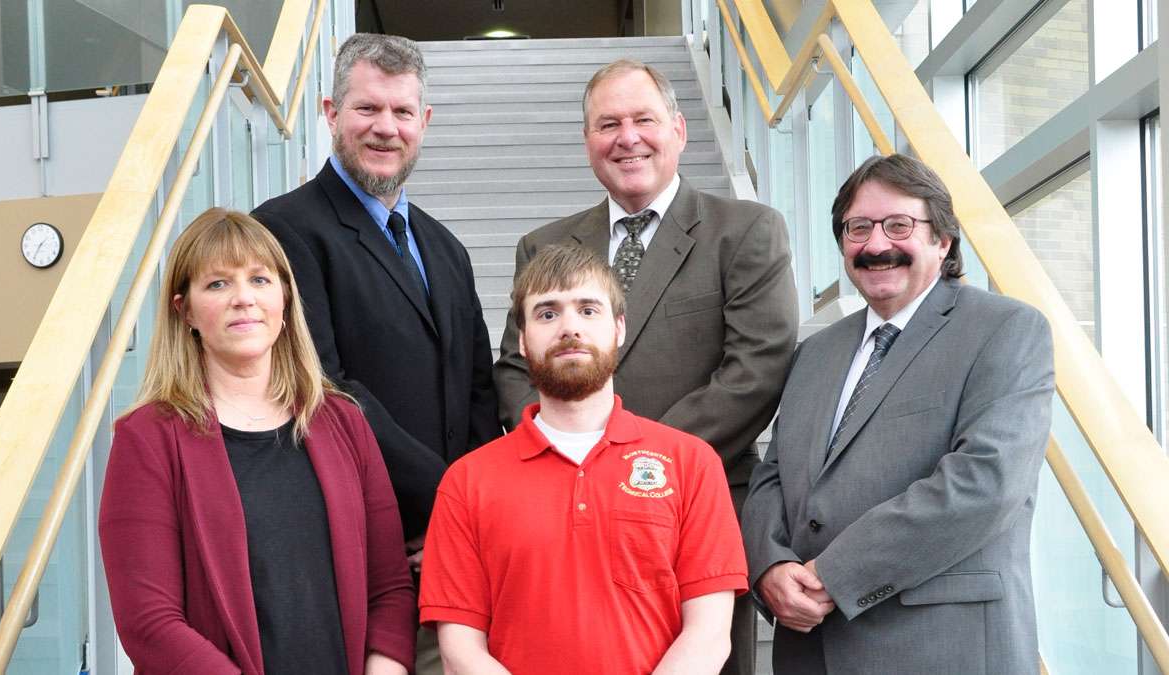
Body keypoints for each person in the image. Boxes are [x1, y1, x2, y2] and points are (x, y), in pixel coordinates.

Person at [492, 59, 797, 675]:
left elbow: (757, 366)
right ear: (587, 142)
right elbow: (513, 365)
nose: (626, 137)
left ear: (680, 130)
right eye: (607, 124)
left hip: (694, 509)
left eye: (643, 119)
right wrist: (569, 459)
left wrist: (634, 462)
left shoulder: (744, 230)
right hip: (559, 507)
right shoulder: (543, 246)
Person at [742, 154, 1054, 673]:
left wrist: (833, 576)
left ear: (942, 240)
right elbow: (772, 475)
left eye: (900, 225)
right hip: (811, 647)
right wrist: (770, 565)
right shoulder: (815, 354)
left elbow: (984, 483)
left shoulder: (1006, 330)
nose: (877, 245)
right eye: (858, 228)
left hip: (939, 646)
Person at [251, 34, 500, 669]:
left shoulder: (446, 247)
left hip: (452, 560)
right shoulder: (283, 231)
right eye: (367, 109)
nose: (386, 128)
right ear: (330, 113)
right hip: (354, 546)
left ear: (425, 122)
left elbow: (477, 390)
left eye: (402, 112)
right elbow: (326, 390)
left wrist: (467, 518)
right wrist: (449, 502)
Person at [98, 208, 414, 675]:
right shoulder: (147, 438)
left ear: (285, 299)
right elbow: (150, 623)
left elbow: (388, 585)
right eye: (218, 284)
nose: (243, 298)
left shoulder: (343, 421)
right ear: (184, 311)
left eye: (260, 280)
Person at [421, 245, 749, 674]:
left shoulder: (691, 464)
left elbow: (708, 634)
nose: (569, 327)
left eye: (588, 310)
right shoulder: (467, 481)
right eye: (547, 313)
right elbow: (460, 648)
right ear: (521, 340)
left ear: (619, 328)